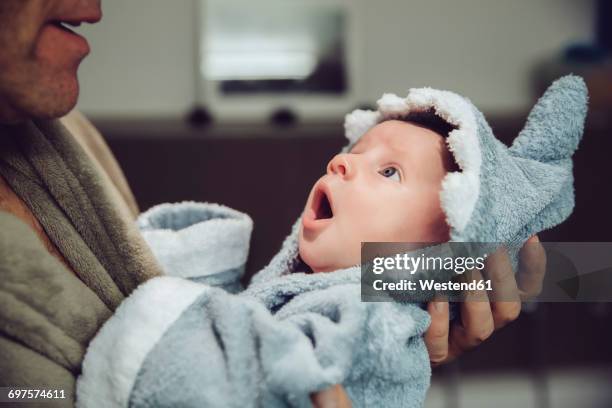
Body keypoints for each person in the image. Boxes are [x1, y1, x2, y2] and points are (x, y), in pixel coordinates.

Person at [0, 0, 546, 407]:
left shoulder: (63, 141)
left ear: (446, 238)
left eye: (388, 171)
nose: (341, 163)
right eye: (354, 153)